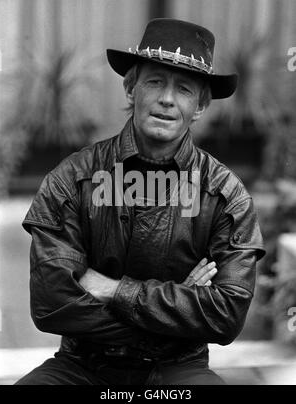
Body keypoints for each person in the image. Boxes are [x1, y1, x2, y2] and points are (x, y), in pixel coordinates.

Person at [16, 18, 265, 385]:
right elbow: (52, 304)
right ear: (131, 88)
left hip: (179, 369)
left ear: (200, 106)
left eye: (183, 88)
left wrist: (115, 289)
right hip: (81, 367)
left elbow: (227, 314)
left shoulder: (225, 196)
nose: (166, 99)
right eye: (154, 82)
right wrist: (181, 309)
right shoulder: (72, 179)